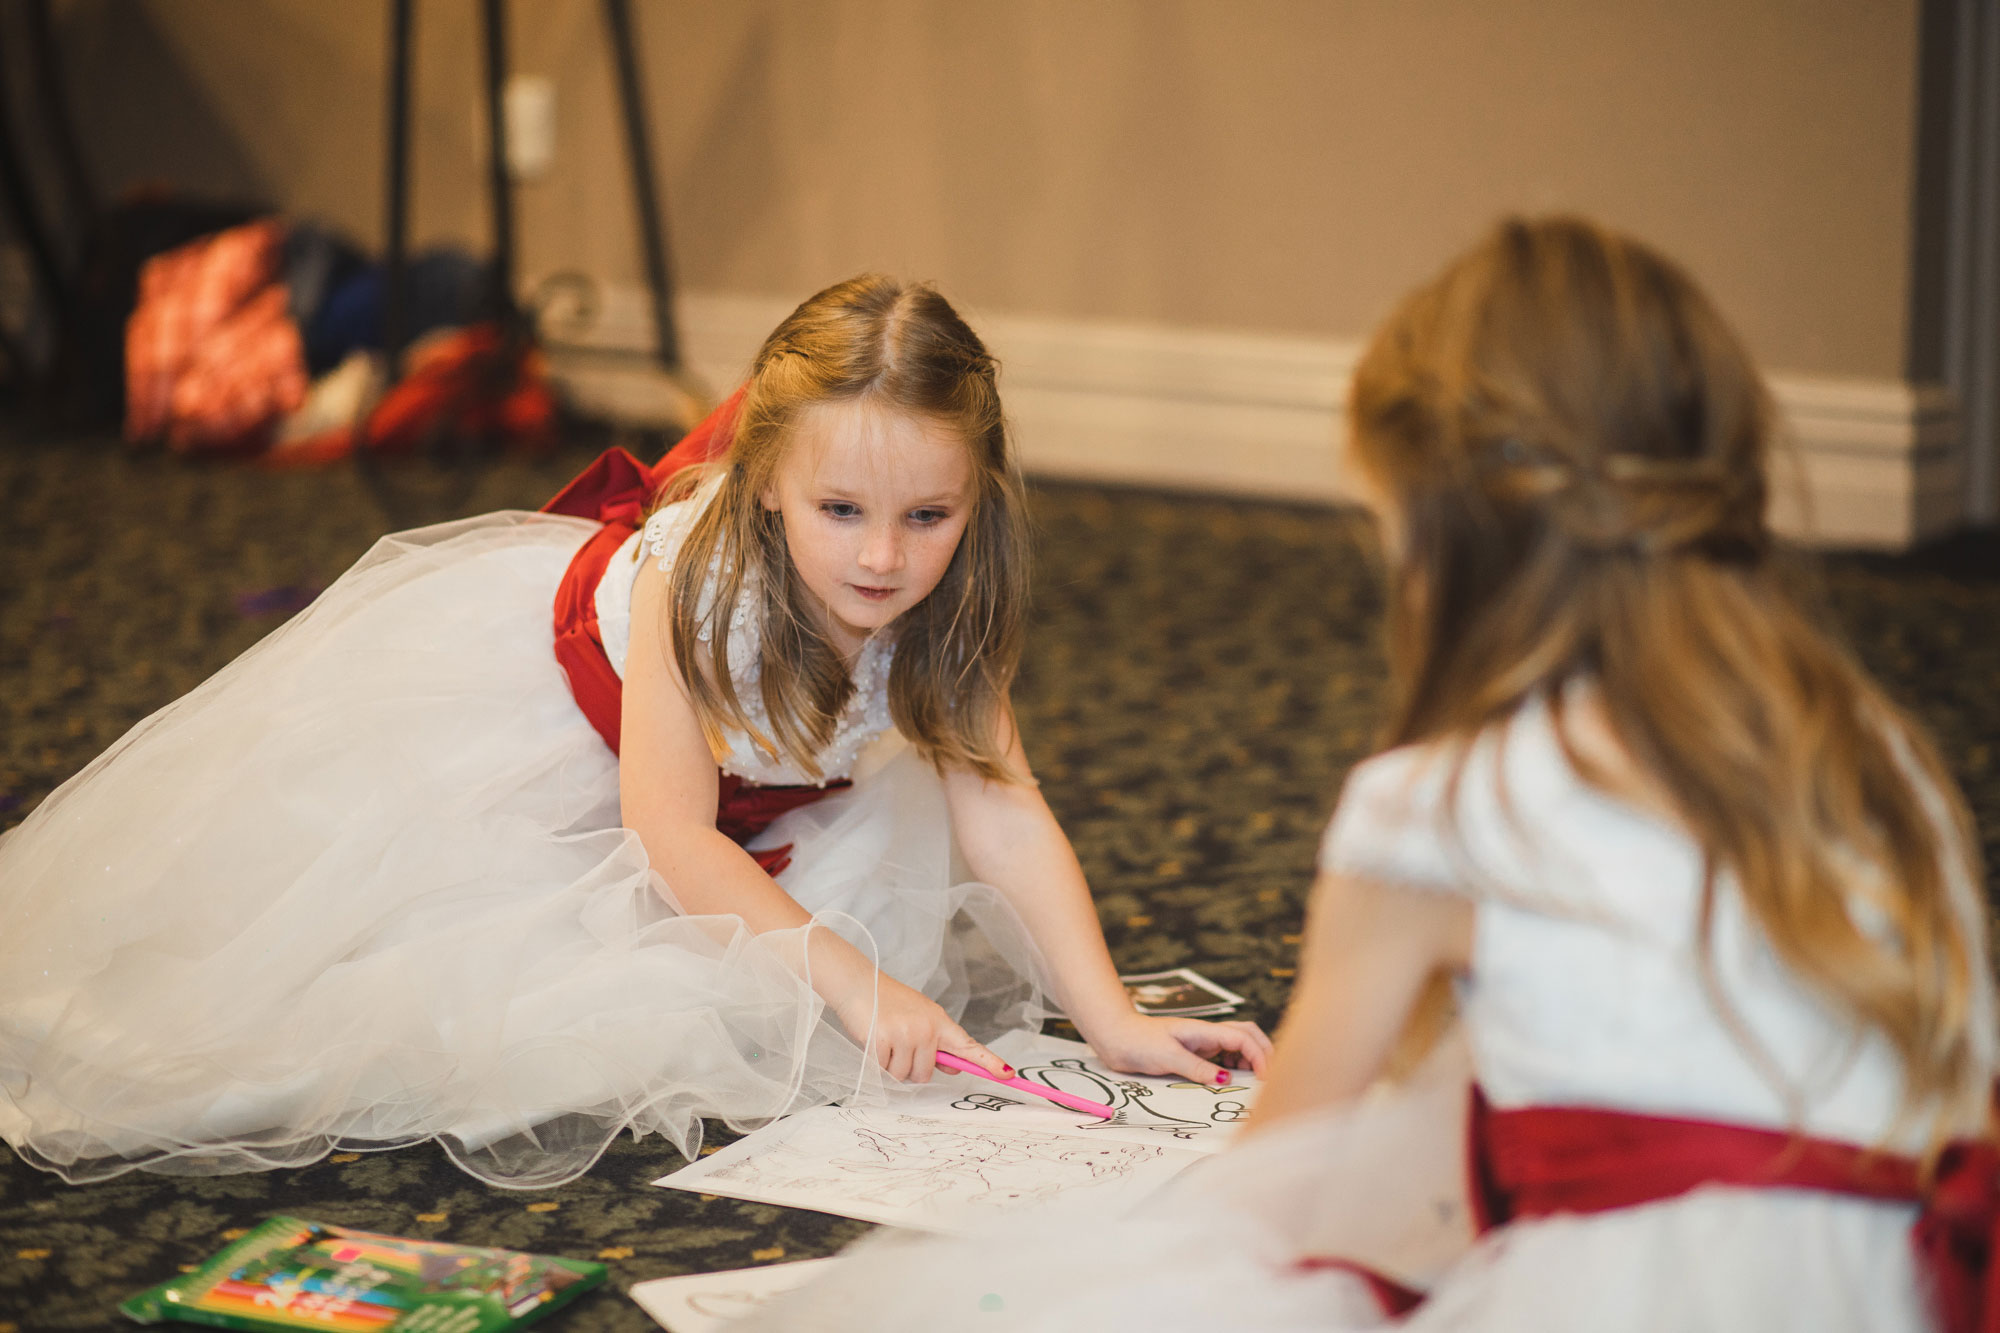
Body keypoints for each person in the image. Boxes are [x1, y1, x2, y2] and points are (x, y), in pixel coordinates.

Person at [743, 218, 1999, 1332]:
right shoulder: (1870, 746)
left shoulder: (1438, 808)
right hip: (1903, 1275)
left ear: (1433, 534)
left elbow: (1284, 1175)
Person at [0, 275, 1269, 1190]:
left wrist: (1104, 1013)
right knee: (422, 989)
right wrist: (849, 974)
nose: (883, 558)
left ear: (973, 498)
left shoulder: (956, 588)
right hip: (576, 747)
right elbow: (667, 829)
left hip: (767, 785)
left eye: (927, 516)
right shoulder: (699, 580)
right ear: (767, 478)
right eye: (839, 509)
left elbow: (999, 799)